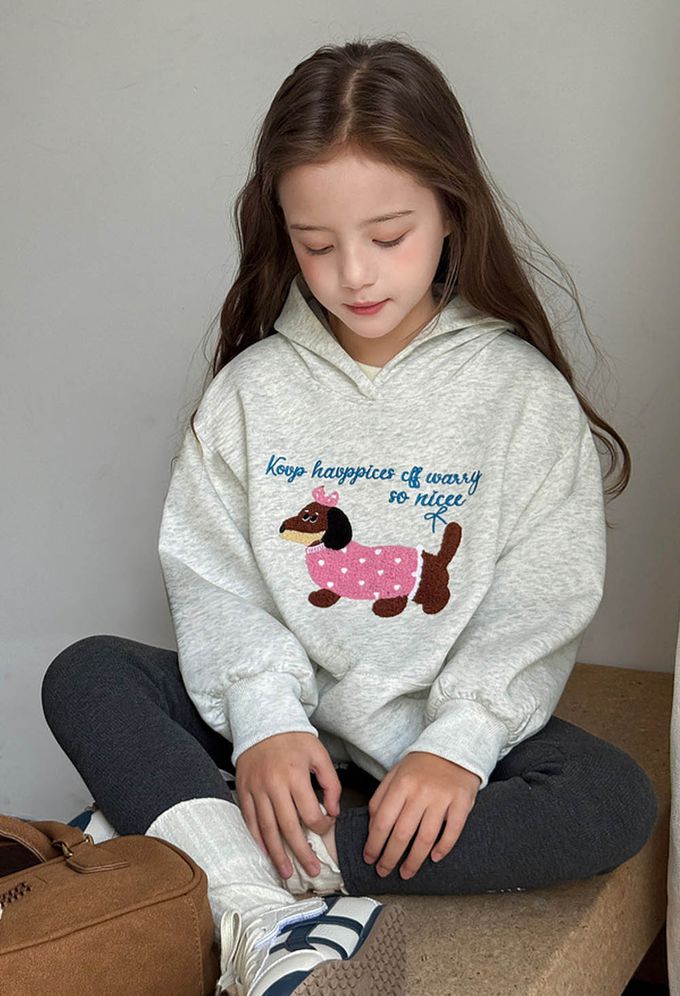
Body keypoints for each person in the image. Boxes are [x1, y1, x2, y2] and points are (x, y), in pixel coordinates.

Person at [40, 37, 659, 996]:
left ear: (451, 210)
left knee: (611, 802)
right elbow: (214, 578)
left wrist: (458, 745)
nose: (355, 275)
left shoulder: (519, 396)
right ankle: (261, 906)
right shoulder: (251, 393)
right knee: (88, 673)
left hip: (434, 733)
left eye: (389, 235)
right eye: (317, 246)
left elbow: (538, 601)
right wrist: (263, 723)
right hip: (282, 733)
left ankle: (214, 847)